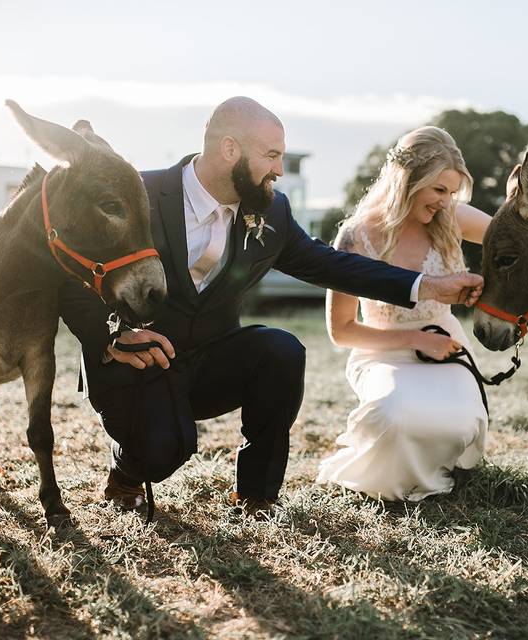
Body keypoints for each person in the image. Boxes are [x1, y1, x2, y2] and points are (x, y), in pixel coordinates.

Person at [58, 98, 484, 513]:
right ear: (230, 150)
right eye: (272, 155)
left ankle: (256, 495)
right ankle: (126, 473)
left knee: (282, 350)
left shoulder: (272, 212)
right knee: (164, 452)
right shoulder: (140, 192)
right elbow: (65, 267)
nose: (279, 170)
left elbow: (332, 265)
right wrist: (111, 334)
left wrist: (427, 285)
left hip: (211, 361)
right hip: (139, 363)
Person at [317, 126, 528, 501]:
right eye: (439, 190)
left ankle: (432, 465)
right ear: (407, 180)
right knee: (394, 417)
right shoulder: (355, 238)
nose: (445, 201)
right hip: (382, 352)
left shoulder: (450, 217)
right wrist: (415, 339)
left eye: (452, 193)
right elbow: (341, 331)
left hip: (447, 344)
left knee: (461, 425)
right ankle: (395, 475)